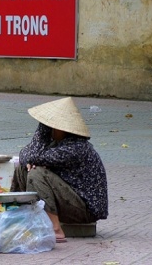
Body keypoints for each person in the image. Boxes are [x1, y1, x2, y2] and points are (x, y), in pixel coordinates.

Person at [10, 97, 108, 243]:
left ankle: (55, 229)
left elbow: (33, 155)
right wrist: (30, 161)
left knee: (37, 174)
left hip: (84, 210)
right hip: (69, 200)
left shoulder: (76, 148)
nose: (46, 129)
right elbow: (25, 155)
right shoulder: (56, 143)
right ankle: (15, 217)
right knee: (22, 170)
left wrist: (40, 137)